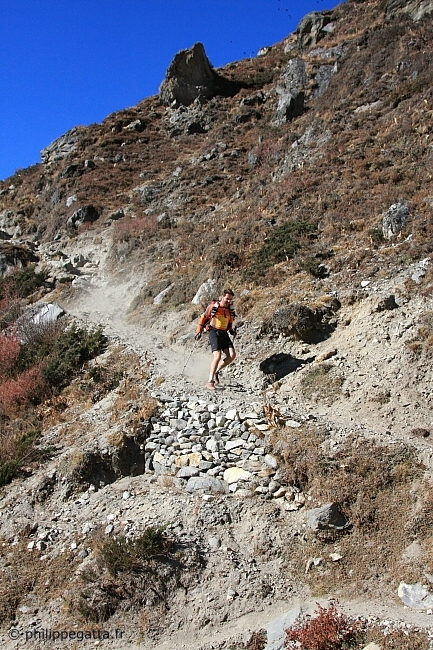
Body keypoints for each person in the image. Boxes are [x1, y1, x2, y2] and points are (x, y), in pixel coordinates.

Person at [195, 289, 237, 390]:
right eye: (227, 298)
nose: (228, 301)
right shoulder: (213, 307)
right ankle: (210, 381)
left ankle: (216, 371)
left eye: (230, 299)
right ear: (222, 297)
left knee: (232, 356)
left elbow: (229, 322)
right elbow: (203, 318)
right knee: (217, 356)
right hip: (214, 332)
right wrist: (198, 331)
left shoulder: (230, 310)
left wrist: (231, 331)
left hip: (224, 333)